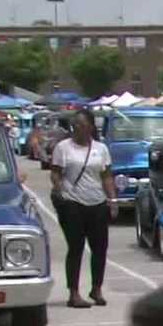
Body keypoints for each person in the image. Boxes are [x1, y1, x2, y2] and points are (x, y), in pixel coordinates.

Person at [50, 108, 116, 308]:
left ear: (90, 126)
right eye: (75, 124)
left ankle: (96, 288)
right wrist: (61, 190)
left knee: (100, 248)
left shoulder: (101, 149)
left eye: (82, 124)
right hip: (72, 203)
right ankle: (74, 293)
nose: (77, 127)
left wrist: (112, 201)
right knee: (76, 248)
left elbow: (106, 176)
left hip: (96, 202)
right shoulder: (63, 148)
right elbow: (55, 173)